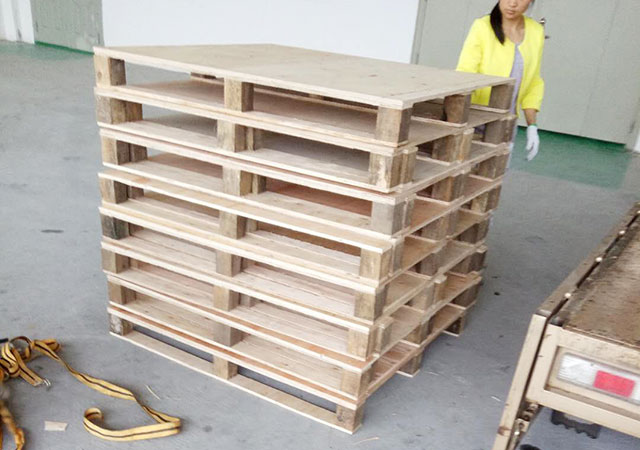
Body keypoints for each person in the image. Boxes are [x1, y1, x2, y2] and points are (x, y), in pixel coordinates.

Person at [456, 0, 545, 161]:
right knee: (468, 170)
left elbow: (534, 81)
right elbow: (465, 74)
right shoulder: (483, 26)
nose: (512, 3)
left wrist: (532, 126)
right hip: (476, 118)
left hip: (507, 122)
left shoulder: (536, 31)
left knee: (497, 170)